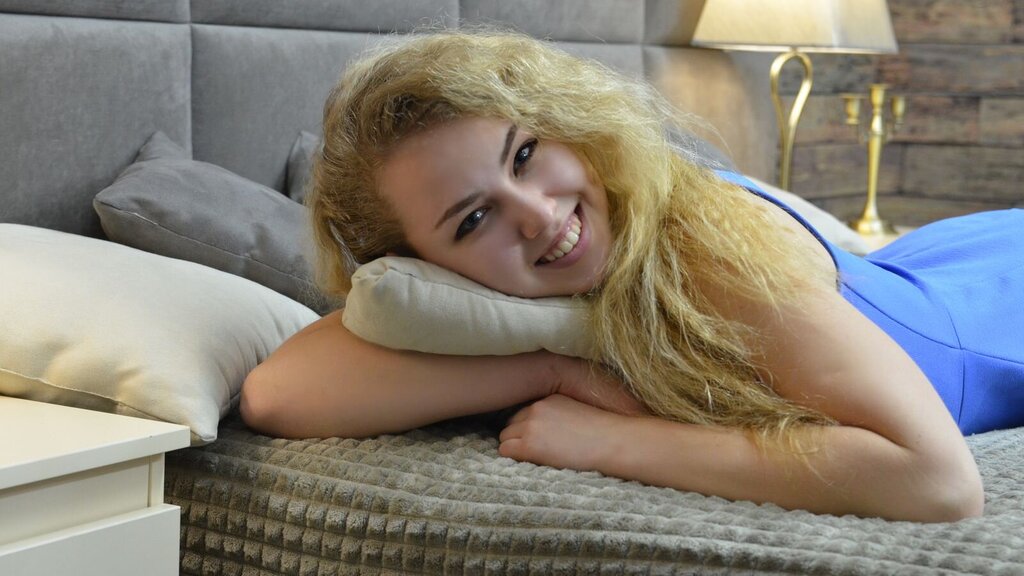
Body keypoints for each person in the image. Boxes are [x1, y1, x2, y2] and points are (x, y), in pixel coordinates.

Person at [240, 30, 1023, 522]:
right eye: (473, 220)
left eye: (525, 154)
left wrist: (614, 439)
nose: (539, 215)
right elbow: (276, 394)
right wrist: (552, 366)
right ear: (423, 266)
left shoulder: (700, 251)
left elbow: (939, 484)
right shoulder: (528, 305)